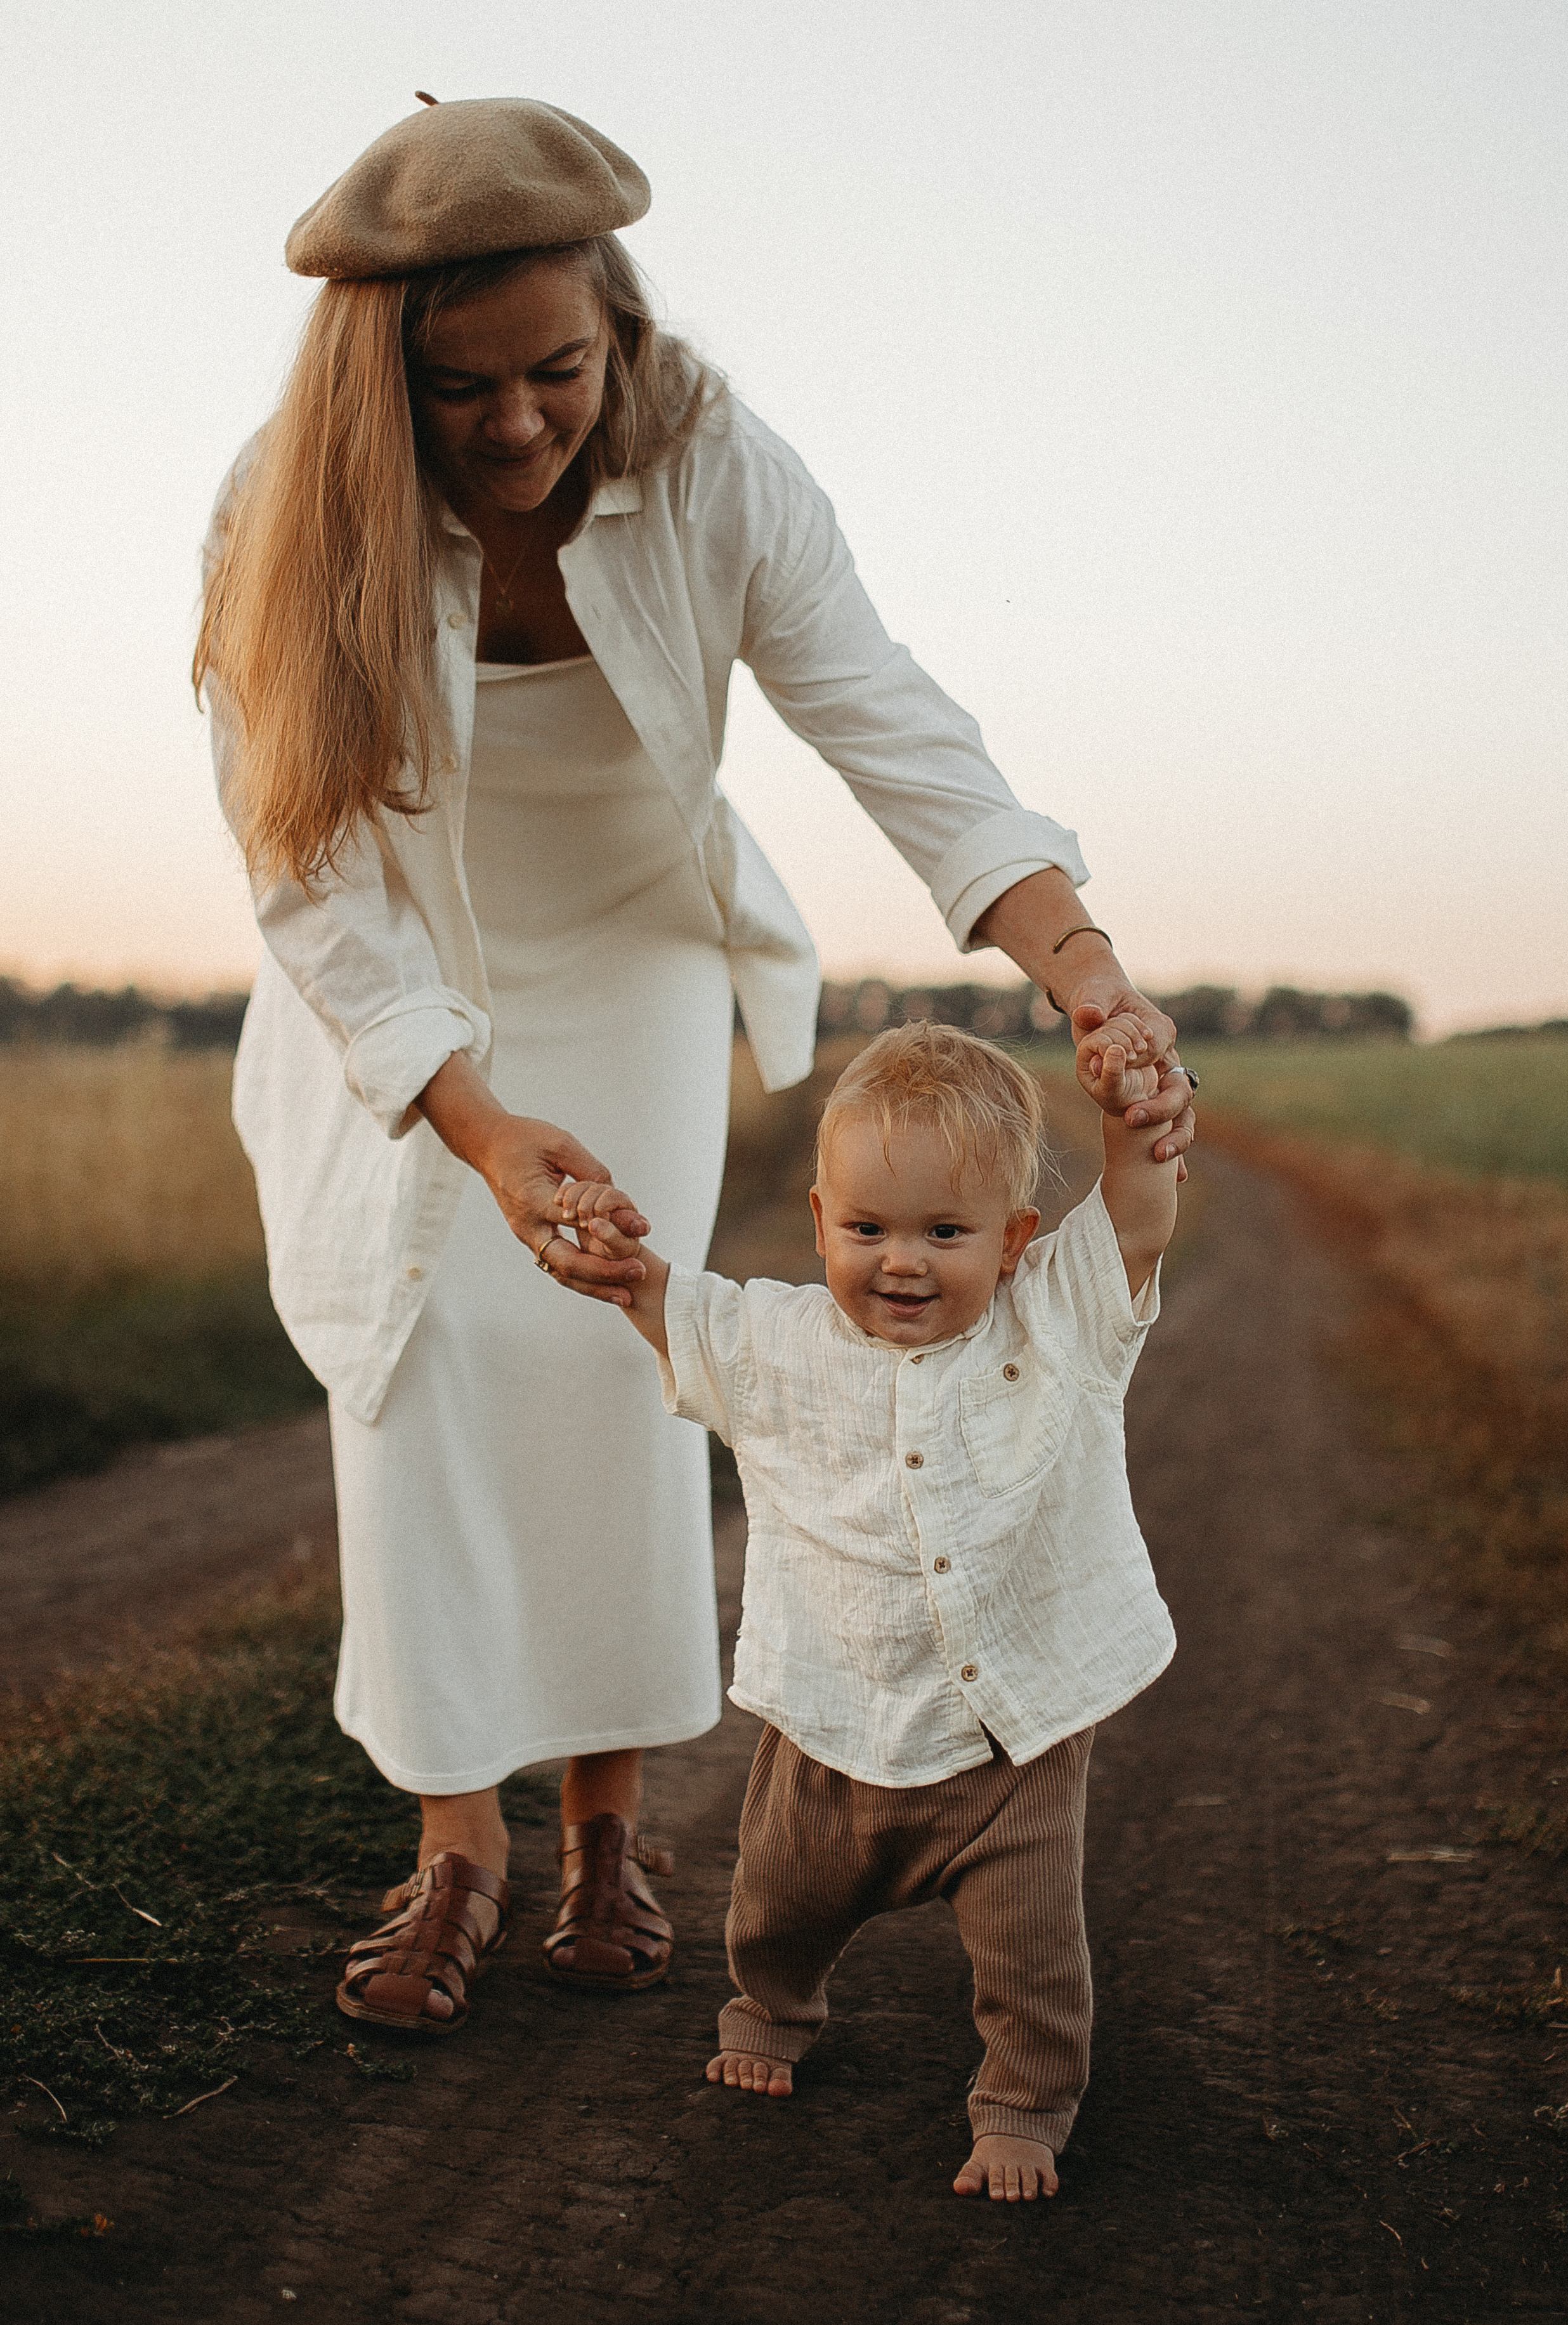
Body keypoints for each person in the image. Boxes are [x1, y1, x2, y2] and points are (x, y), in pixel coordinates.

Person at [194, 93, 1195, 2037]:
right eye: (455, 385)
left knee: (608, 1354)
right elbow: (295, 866)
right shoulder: (287, 501)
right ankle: (454, 1847)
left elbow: (892, 728)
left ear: (619, 325)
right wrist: (470, 1119)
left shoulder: (717, 463)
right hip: (404, 982)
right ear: (375, 372)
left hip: (635, 946)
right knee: (428, 1370)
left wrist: (1088, 974)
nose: (510, 425)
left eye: (554, 369)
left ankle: (606, 1832)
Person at [554, 1018, 1177, 2198]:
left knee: (1032, 1955)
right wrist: (613, 1262)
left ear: (1014, 1241)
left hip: (1014, 1739)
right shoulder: (776, 1338)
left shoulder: (1059, 1319)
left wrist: (1133, 1113)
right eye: (868, 1228)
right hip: (830, 1718)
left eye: (946, 1231)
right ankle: (772, 2009)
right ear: (820, 1219)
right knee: (777, 1898)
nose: (901, 1260)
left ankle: (1024, 2102)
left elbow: (1136, 1220)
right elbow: (671, 1305)